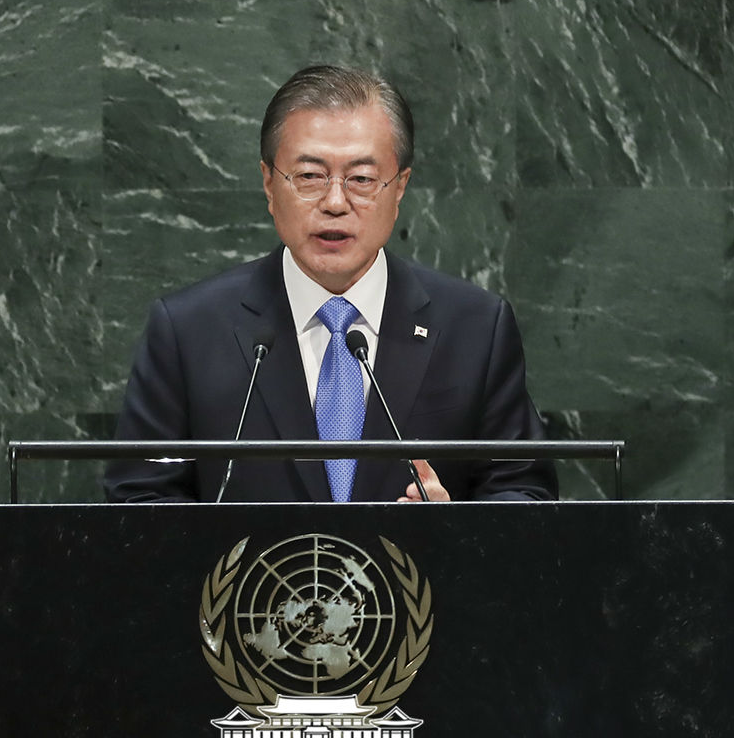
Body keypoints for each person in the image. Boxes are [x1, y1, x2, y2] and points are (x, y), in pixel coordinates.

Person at [104, 65, 557, 503]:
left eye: (361, 179)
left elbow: (525, 492)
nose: (335, 202)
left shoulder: (475, 328)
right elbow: (141, 497)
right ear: (268, 183)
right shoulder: (188, 330)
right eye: (309, 176)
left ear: (399, 188)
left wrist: (454, 530)